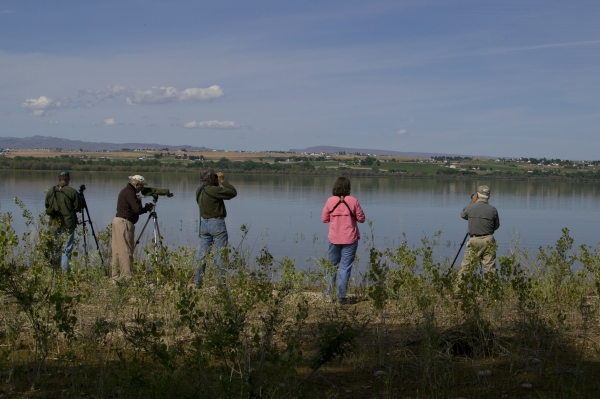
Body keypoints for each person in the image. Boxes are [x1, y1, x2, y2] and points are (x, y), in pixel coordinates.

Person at [321, 177, 366, 304]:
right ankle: (341, 297)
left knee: (331, 267)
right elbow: (361, 219)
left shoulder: (330, 201)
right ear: (348, 188)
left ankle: (328, 295)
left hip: (334, 238)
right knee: (345, 267)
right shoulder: (353, 201)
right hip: (350, 239)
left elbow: (324, 219)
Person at [194, 168, 237, 285]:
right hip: (216, 224)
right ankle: (220, 284)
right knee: (221, 254)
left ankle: (197, 281)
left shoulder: (199, 190)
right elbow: (232, 192)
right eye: (214, 176)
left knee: (202, 254)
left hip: (204, 224)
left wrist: (215, 181)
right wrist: (223, 181)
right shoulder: (213, 190)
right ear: (209, 178)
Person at [111, 175, 154, 279]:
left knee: (117, 251)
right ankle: (128, 276)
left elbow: (133, 209)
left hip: (117, 221)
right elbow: (137, 210)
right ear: (136, 184)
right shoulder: (130, 193)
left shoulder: (125, 191)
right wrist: (141, 203)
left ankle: (115, 276)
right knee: (126, 251)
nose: (141, 189)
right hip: (124, 223)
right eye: (141, 186)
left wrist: (144, 207)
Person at [458, 185, 500, 279]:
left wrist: (472, 202)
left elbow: (463, 215)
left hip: (474, 240)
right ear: (488, 196)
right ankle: (492, 290)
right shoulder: (493, 210)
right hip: (489, 240)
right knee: (490, 268)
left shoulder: (471, 207)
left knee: (466, 268)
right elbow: (496, 226)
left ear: (477, 195)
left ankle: (459, 290)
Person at [44, 170, 83, 271]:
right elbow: (78, 208)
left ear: (58, 179)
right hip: (68, 223)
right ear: (68, 179)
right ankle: (65, 273)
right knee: (67, 249)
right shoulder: (72, 192)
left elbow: (47, 206)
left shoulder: (51, 191)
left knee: (55, 248)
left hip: (54, 222)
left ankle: (55, 271)